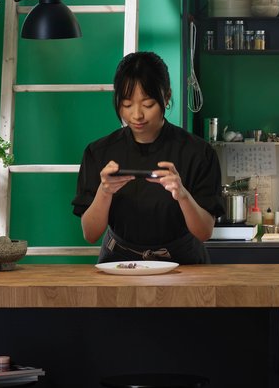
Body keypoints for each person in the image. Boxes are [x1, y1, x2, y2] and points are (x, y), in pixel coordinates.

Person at [73, 52, 222, 264]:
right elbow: (90, 234)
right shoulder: (98, 152)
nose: (137, 115)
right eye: (126, 105)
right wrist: (104, 192)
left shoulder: (198, 153)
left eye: (148, 104)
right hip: (119, 263)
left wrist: (183, 195)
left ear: (167, 97)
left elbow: (204, 232)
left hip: (183, 264)